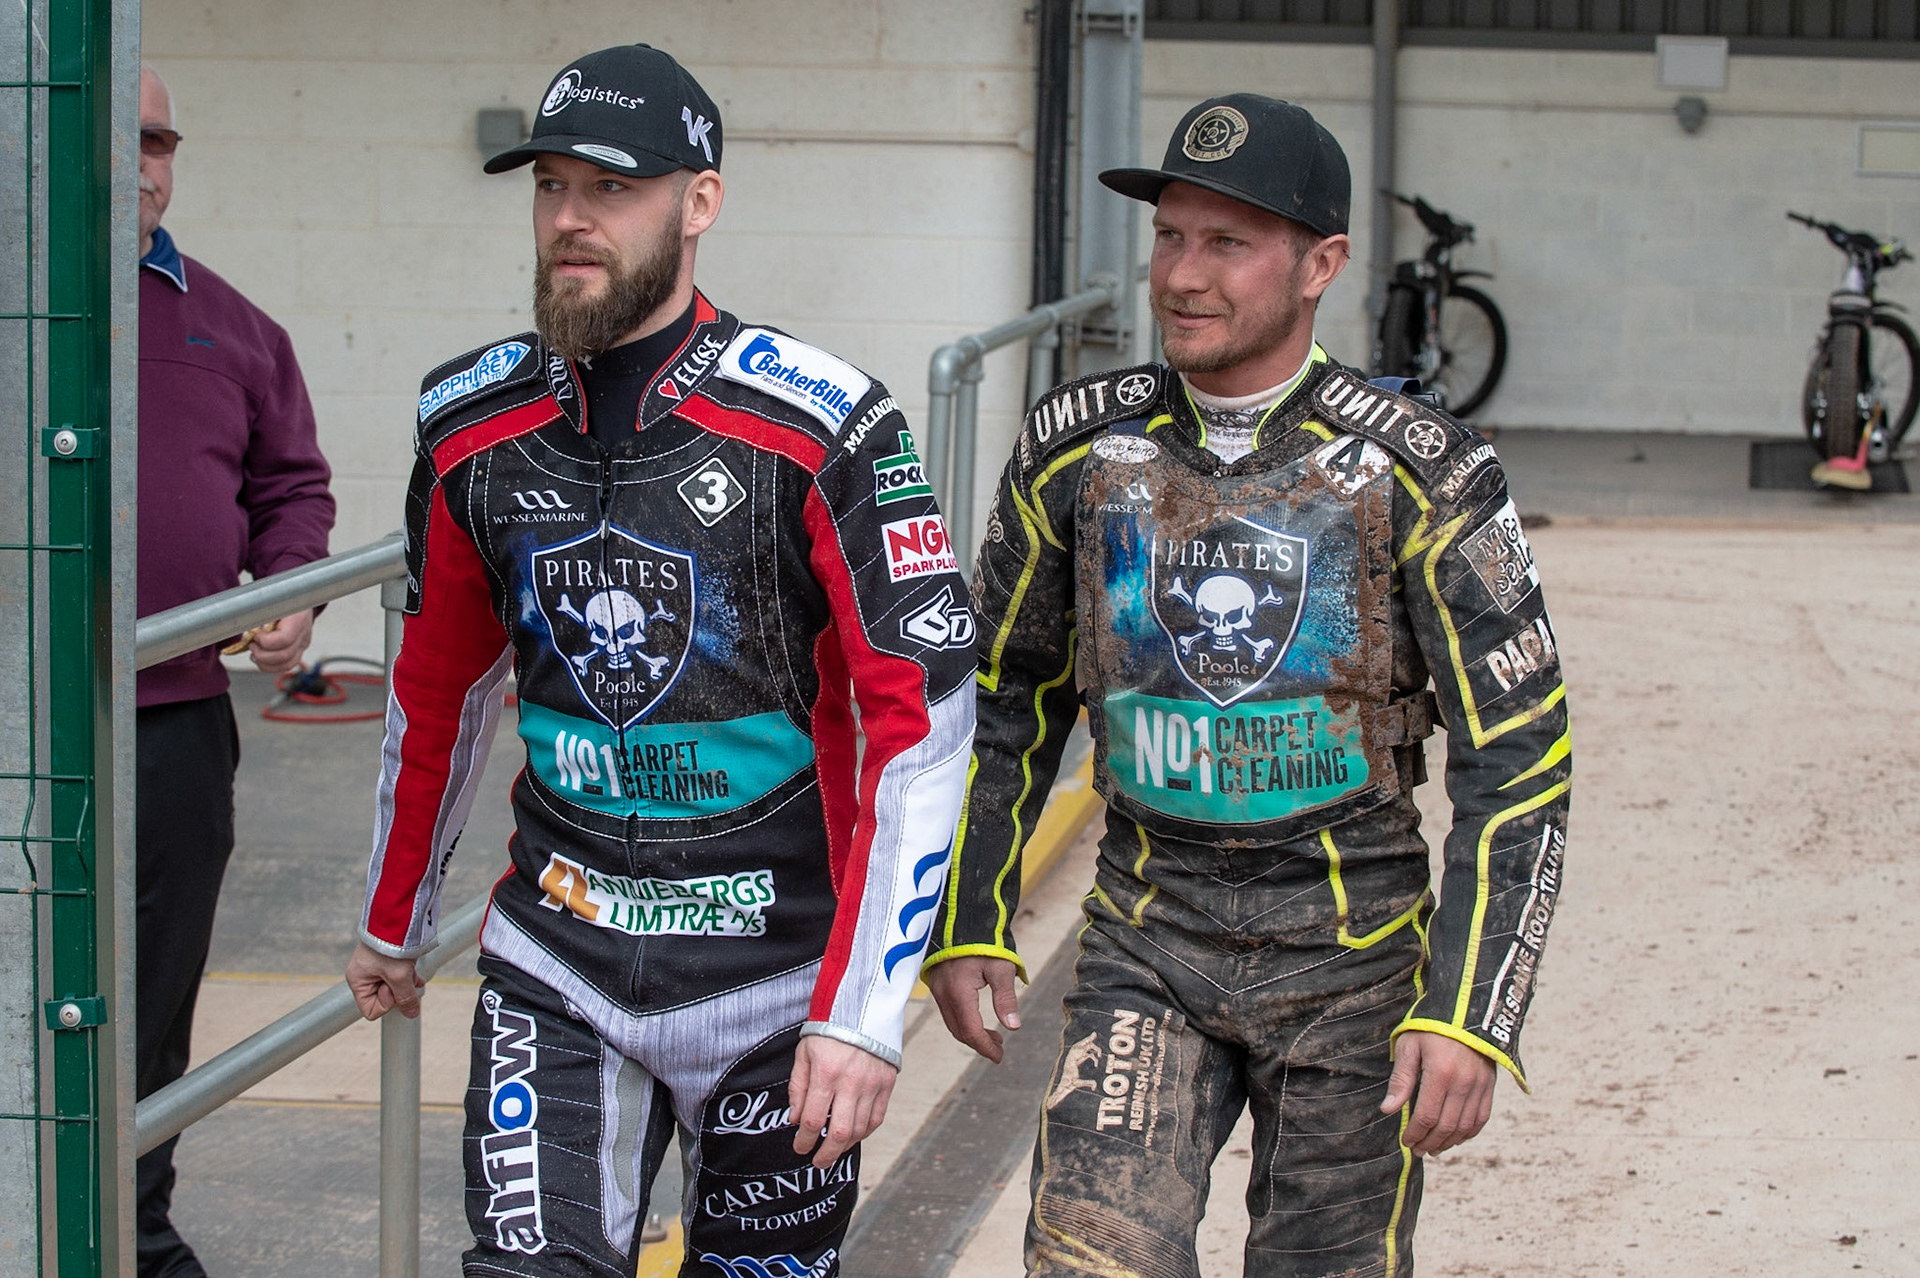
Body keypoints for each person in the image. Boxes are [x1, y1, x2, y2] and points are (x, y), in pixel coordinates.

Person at [343, 44, 974, 1277]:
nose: (572, 220)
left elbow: (924, 716)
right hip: (555, 964)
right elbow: (437, 687)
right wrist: (392, 914)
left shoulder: (827, 422)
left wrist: (866, 1015)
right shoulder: (467, 423)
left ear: (699, 204)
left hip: (780, 991)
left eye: (612, 189)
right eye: (552, 186)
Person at [925, 95, 1571, 1277]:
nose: (1182, 274)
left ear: (1321, 264)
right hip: (1145, 940)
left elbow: (1519, 756)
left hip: (1356, 957)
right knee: (1086, 1262)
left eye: (1228, 243)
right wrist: (971, 912)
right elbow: (1004, 696)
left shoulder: (1423, 469)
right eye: (1170, 236)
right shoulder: (1079, 448)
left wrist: (1472, 1007)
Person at [134, 63, 336, 1278]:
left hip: (174, 716)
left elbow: (291, 484)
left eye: (159, 138)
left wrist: (289, 584)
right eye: (116, 137)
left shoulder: (230, 323)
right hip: (21, 725)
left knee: (156, 990)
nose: (142, 161)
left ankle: (133, 1225)